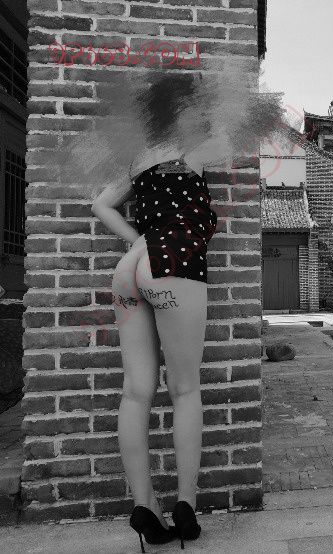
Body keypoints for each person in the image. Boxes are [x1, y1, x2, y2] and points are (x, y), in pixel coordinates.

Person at [91, 141, 218, 551]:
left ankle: (145, 507)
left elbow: (101, 205)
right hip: (173, 262)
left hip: (129, 269)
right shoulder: (198, 149)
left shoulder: (137, 159)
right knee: (185, 389)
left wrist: (137, 241)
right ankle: (186, 505)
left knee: (135, 391)